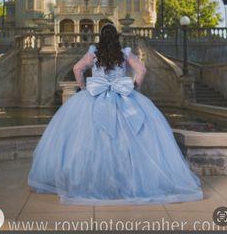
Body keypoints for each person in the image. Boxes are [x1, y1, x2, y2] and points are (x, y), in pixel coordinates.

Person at [28, 23, 203, 205]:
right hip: (124, 98)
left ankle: (98, 181)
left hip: (94, 98)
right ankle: (128, 181)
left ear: (101, 37)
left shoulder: (94, 53)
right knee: (129, 139)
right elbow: (142, 69)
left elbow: (76, 69)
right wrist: (135, 86)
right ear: (117, 37)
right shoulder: (124, 53)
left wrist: (83, 86)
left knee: (91, 140)